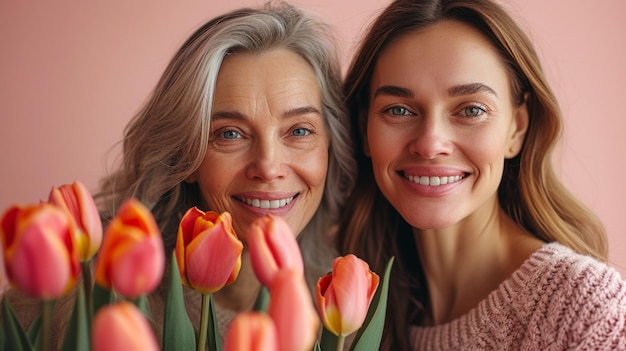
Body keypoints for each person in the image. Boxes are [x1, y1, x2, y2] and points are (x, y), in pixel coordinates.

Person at [4, 1, 355, 347]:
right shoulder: (76, 304)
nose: (268, 166)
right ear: (186, 153)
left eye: (299, 131)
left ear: (330, 145)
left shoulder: (343, 305)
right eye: (229, 133)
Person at [337, 0, 626, 349]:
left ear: (516, 129)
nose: (430, 144)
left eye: (471, 109)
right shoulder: (348, 311)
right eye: (398, 110)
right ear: (364, 127)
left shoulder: (583, 308)